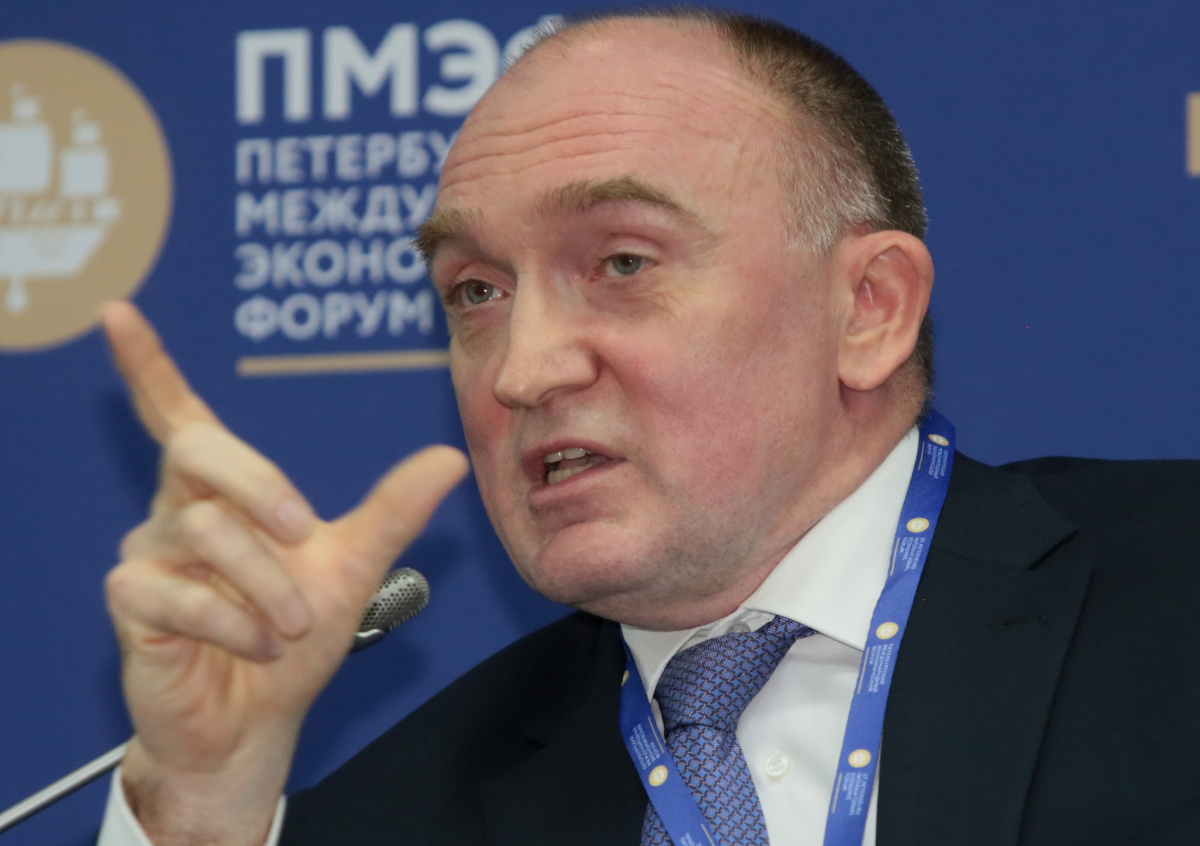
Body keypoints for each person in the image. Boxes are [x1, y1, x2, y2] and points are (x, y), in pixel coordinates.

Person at [98, 8, 1200, 846]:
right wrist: (199, 804)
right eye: (476, 292)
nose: (523, 369)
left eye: (622, 263)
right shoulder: (395, 812)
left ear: (868, 309)